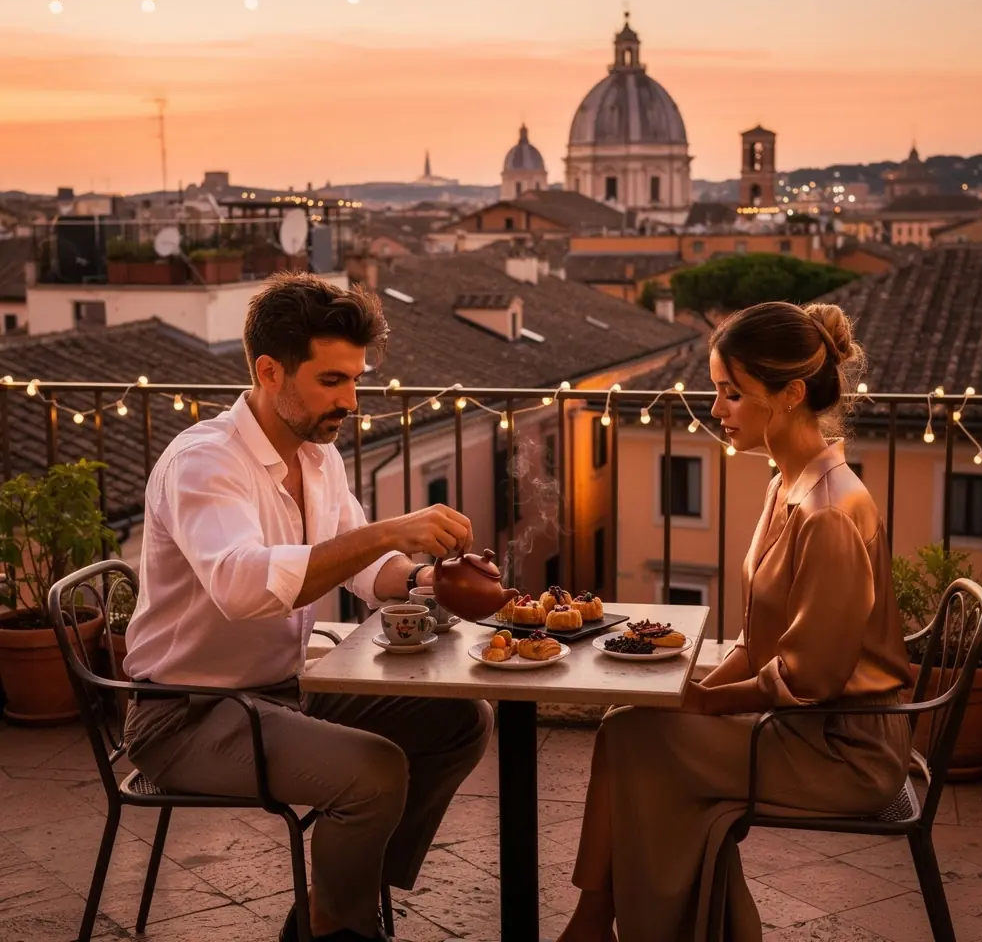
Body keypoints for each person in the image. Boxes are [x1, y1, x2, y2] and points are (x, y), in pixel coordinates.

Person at [122, 272, 493, 942]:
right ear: (270, 371)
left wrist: (425, 578)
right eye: (332, 381)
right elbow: (240, 587)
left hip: (283, 693)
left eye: (355, 380)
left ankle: (342, 897)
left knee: (461, 720)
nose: (351, 400)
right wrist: (387, 530)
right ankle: (338, 926)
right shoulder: (206, 463)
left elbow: (364, 567)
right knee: (375, 773)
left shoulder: (318, 457)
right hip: (186, 718)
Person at [558, 301, 913, 942]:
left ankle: (597, 920)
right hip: (798, 727)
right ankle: (603, 918)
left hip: (840, 752)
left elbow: (807, 678)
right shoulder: (789, 484)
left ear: (791, 394)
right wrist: (695, 696)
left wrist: (704, 706)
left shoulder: (828, 511)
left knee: (639, 742)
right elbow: (759, 639)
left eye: (732, 393)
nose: (716, 409)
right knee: (631, 729)